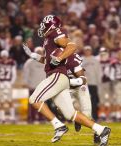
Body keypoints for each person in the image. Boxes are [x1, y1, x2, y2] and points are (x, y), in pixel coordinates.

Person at [23, 15, 111, 146]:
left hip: (57, 75)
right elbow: (48, 60)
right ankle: (101, 130)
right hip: (58, 77)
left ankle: (59, 126)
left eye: (44, 24)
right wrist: (34, 56)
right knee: (70, 114)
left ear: (51, 25)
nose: (42, 26)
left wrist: (59, 59)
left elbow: (72, 46)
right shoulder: (48, 39)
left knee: (34, 99)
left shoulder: (55, 33)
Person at [23, 47, 45, 123]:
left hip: (42, 87)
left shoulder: (45, 62)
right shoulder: (29, 62)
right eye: (38, 52)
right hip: (32, 86)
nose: (39, 54)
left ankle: (41, 118)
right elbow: (26, 73)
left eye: (40, 52)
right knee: (32, 104)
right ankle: (31, 118)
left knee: (42, 103)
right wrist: (26, 83)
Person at [0, 50, 16, 123]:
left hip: (8, 83)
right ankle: (2, 118)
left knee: (10, 100)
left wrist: (11, 83)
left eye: (5, 55)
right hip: (1, 83)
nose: (4, 57)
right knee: (2, 101)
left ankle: (12, 118)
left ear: (7, 56)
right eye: (3, 56)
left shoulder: (11, 62)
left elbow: (14, 74)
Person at [82, 45, 101, 121]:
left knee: (94, 100)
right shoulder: (81, 60)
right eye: (86, 50)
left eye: (88, 50)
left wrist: (98, 82)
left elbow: (98, 71)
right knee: (84, 100)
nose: (87, 51)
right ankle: (85, 116)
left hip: (93, 83)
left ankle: (95, 116)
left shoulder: (95, 60)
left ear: (91, 51)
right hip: (84, 83)